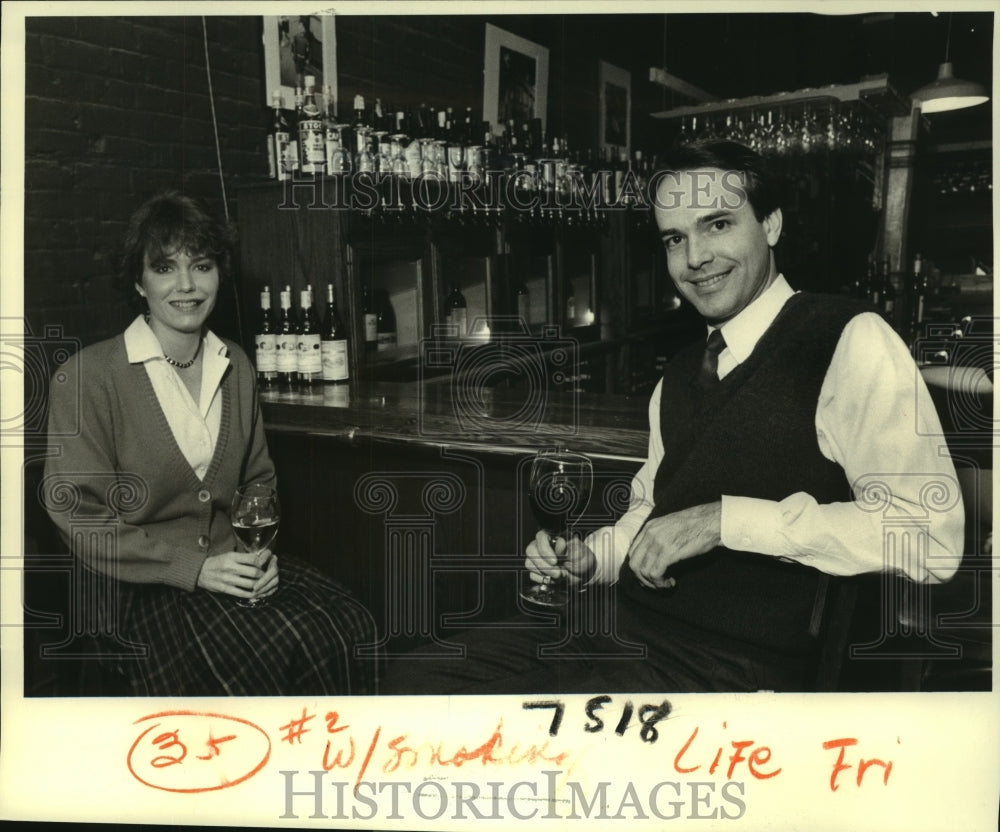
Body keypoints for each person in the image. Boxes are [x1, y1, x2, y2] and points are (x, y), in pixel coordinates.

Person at [383, 140, 965, 694]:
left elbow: (931, 539)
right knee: (412, 683)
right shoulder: (680, 374)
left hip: (728, 669)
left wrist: (723, 521)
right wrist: (593, 559)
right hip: (617, 628)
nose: (695, 258)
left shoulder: (847, 338)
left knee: (503, 741)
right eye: (673, 239)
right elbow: (649, 510)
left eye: (718, 224)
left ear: (771, 224)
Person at [43, 190, 378, 696]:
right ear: (138, 281)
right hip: (140, 587)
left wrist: (258, 556)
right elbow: (78, 515)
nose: (186, 286)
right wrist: (195, 569)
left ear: (219, 273)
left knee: (353, 625)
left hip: (231, 566)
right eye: (165, 268)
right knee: (284, 641)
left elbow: (258, 482)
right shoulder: (89, 376)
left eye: (201, 266)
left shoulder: (235, 365)